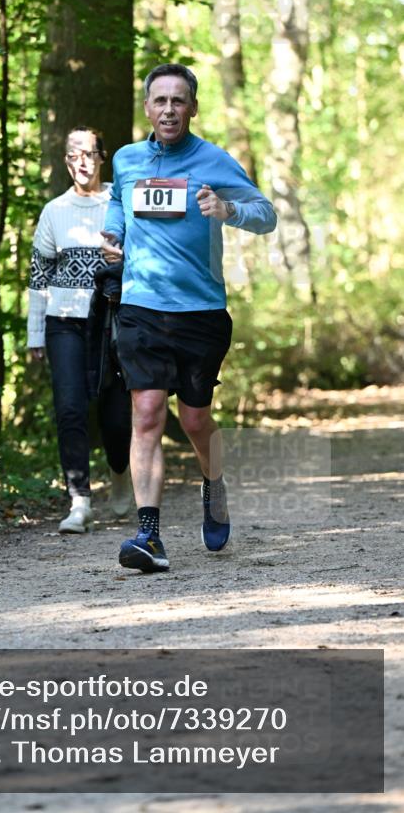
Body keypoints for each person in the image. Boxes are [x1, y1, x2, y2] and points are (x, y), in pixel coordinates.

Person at [101, 63, 277, 572]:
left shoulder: (213, 160)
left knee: (195, 420)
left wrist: (228, 210)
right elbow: (118, 203)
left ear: (193, 108)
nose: (169, 109)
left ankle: (213, 482)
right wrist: (114, 237)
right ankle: (148, 535)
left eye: (179, 101)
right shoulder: (128, 159)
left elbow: (266, 213)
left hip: (200, 311)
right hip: (140, 307)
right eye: (160, 101)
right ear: (148, 108)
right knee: (148, 412)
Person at [28, 127, 133, 533]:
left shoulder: (119, 203)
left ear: (102, 157)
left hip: (112, 320)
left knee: (116, 417)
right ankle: (80, 502)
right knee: (70, 409)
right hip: (65, 324)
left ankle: (121, 472)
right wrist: (35, 335)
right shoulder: (54, 211)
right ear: (66, 161)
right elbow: (39, 278)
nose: (81, 162)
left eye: (88, 153)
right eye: (73, 155)